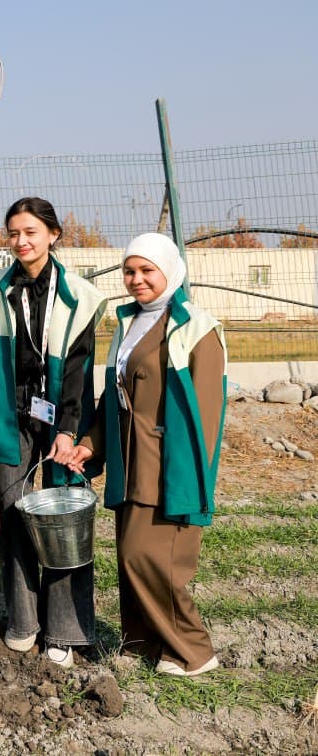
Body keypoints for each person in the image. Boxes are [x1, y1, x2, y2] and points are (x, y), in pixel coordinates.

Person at [68, 233, 226, 676]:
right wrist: (91, 444)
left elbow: (206, 415)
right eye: (130, 271)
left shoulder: (197, 329)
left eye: (146, 271)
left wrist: (190, 477)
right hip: (129, 460)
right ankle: (143, 644)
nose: (136, 280)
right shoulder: (128, 323)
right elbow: (113, 400)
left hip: (168, 465)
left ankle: (194, 651)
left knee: (151, 557)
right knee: (128, 554)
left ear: (170, 272)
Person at [0, 197, 106, 668]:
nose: (21, 241)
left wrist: (69, 430)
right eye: (13, 233)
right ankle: (22, 620)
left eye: (30, 232)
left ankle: (64, 630)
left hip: (61, 416)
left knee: (63, 520)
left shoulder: (78, 295)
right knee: (12, 511)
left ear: (53, 234)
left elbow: (79, 369)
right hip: (9, 414)